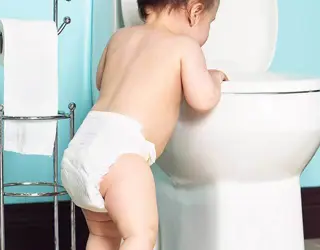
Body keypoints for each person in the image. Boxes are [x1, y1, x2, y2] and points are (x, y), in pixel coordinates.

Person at [59, 0, 227, 249]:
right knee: (140, 236)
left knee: (104, 236)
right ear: (195, 12)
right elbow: (203, 99)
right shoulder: (185, 47)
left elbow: (100, 80)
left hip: (81, 150)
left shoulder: (120, 37)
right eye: (210, 23)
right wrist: (213, 77)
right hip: (121, 157)